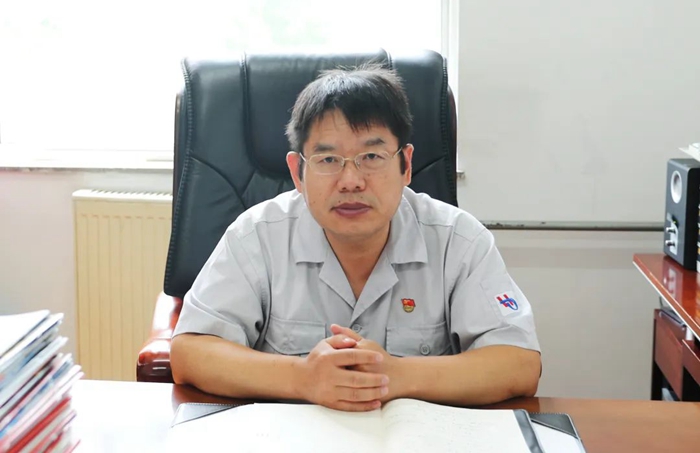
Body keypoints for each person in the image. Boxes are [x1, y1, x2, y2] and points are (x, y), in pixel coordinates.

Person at [170, 64, 541, 412]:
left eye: (372, 156)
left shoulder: (458, 240)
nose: (351, 181)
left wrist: (397, 375)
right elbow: (191, 352)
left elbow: (518, 362)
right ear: (297, 173)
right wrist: (302, 378)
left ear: (406, 165)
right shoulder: (257, 236)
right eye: (328, 160)